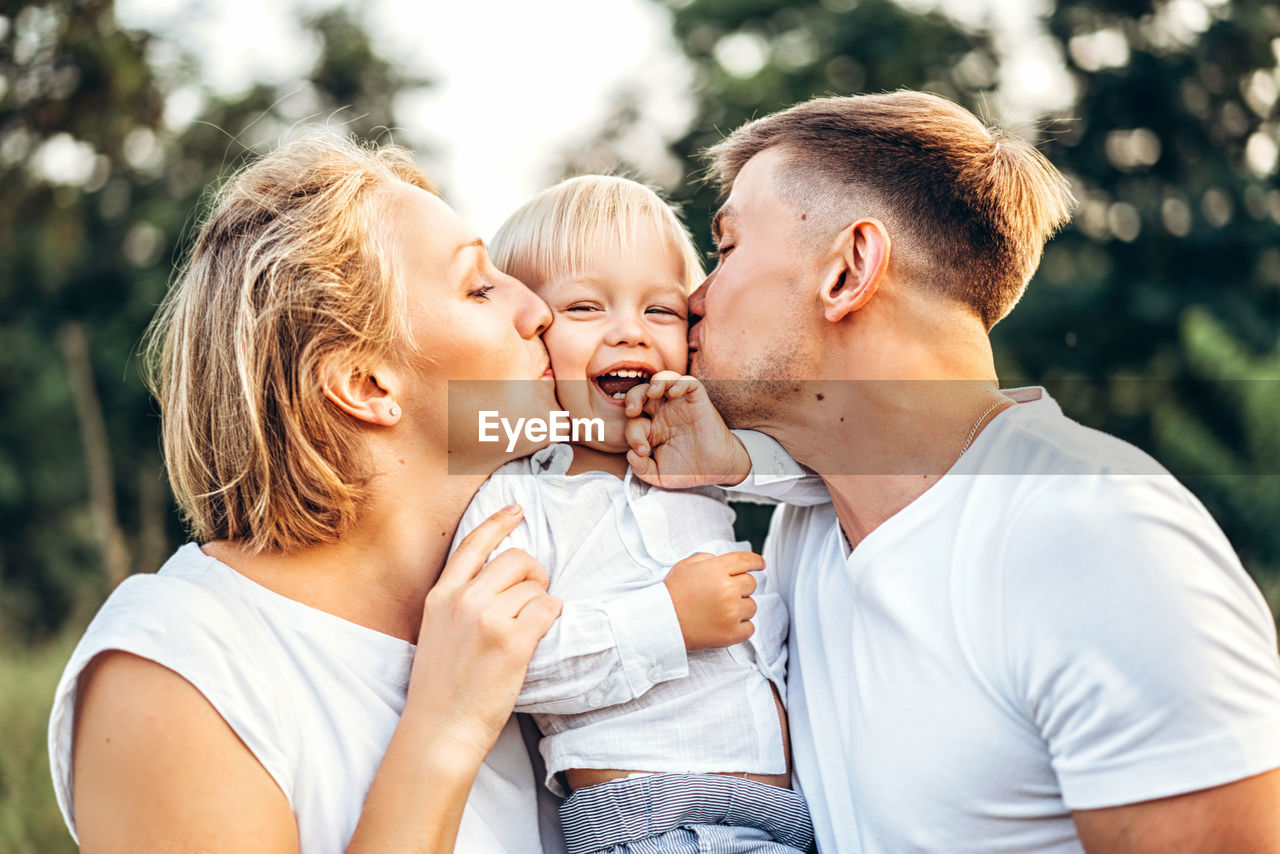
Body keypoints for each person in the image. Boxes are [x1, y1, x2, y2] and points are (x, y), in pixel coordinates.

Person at [623, 92, 1280, 853]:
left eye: (727, 247)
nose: (694, 300)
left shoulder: (1096, 537)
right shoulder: (809, 533)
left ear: (850, 269)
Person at [47, 134, 570, 852]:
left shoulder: (546, 613)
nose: (541, 310)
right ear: (364, 385)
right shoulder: (179, 662)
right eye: (479, 287)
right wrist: (441, 736)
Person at [451, 175, 813, 853]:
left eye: (662, 311)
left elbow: (832, 476)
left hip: (781, 821)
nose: (630, 332)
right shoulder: (515, 497)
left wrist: (731, 459)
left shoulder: (702, 462)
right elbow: (500, 667)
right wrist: (666, 622)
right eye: (585, 307)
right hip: (651, 826)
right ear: (530, 339)